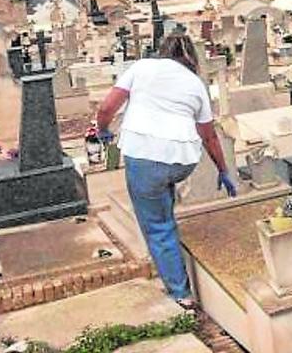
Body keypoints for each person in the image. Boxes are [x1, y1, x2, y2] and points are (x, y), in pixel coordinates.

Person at [94, 34, 236, 308]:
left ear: (162, 51)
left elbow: (106, 107)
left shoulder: (141, 68)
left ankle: (180, 294)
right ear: (190, 57)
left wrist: (102, 131)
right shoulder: (195, 84)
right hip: (182, 160)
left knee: (158, 227)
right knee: (162, 198)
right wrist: (223, 170)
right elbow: (209, 136)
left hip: (145, 155)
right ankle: (168, 226)